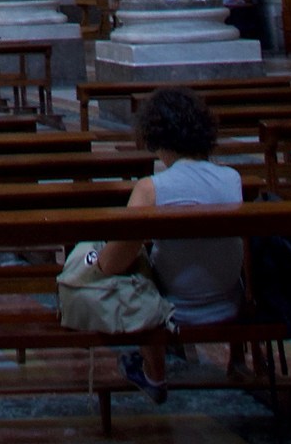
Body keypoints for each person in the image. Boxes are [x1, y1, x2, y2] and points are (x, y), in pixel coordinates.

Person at [92, 87, 243, 402]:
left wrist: (94, 260)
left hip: (175, 308)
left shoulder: (151, 189)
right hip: (229, 302)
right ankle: (238, 361)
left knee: (128, 266)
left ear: (155, 137)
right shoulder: (232, 179)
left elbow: (113, 263)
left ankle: (153, 371)